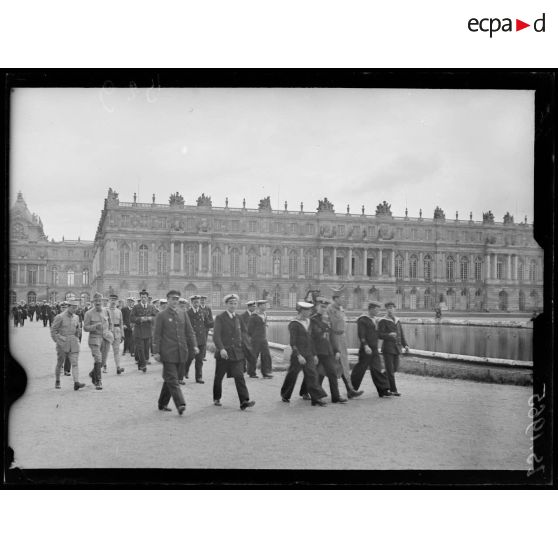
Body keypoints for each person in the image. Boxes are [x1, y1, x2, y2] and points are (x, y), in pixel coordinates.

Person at [153, 290, 198, 415]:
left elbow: (189, 331)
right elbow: (156, 335)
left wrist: (194, 345)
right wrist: (156, 351)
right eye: (172, 299)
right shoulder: (161, 315)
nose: (175, 301)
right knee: (173, 379)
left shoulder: (183, 313)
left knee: (170, 379)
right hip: (167, 353)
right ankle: (180, 404)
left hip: (181, 352)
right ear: (167, 300)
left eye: (177, 299)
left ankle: (162, 403)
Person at [280, 301, 328, 406]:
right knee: (292, 375)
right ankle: (285, 394)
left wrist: (314, 354)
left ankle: (316, 399)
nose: (310, 312)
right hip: (298, 355)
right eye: (308, 310)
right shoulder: (294, 324)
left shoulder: (309, 322)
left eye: (310, 310)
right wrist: (298, 355)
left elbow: (311, 340)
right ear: (302, 311)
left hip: (309, 353)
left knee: (312, 374)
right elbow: (292, 342)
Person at [212, 294, 255, 410]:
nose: (233, 305)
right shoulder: (220, 318)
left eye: (235, 303)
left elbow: (244, 333)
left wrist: (247, 347)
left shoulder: (239, 318)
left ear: (237, 305)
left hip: (237, 353)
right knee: (219, 376)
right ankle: (217, 398)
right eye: (230, 303)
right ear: (226, 304)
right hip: (224, 353)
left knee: (239, 376)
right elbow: (216, 336)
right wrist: (221, 349)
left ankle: (244, 401)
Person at [308, 297, 347, 403]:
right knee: (316, 375)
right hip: (317, 351)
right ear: (317, 307)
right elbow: (310, 338)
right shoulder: (312, 320)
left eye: (325, 307)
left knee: (332, 373)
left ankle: (336, 397)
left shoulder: (328, 320)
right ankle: (315, 397)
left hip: (328, 351)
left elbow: (332, 336)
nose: (323, 309)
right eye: (321, 306)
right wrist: (313, 354)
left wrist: (337, 350)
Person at [327, 288, 363, 399]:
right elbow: (329, 327)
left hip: (342, 338)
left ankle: (350, 390)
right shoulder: (330, 309)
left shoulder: (341, 308)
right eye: (342, 297)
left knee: (344, 365)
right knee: (325, 366)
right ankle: (310, 389)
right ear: (335, 298)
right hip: (334, 338)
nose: (344, 299)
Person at [351, 301, 393, 397]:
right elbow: (361, 334)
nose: (378, 312)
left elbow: (377, 334)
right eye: (377, 310)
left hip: (374, 349)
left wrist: (388, 336)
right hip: (366, 349)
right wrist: (365, 345)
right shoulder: (363, 320)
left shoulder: (374, 320)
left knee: (377, 369)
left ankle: (383, 391)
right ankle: (351, 390)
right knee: (360, 370)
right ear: (371, 309)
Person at [50, 298, 85, 390]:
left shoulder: (76, 317)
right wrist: (58, 341)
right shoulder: (60, 317)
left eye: (76, 307)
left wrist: (77, 338)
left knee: (75, 363)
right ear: (68, 307)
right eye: (73, 307)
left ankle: (76, 382)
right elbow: (53, 330)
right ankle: (57, 381)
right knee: (60, 363)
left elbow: (78, 329)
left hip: (73, 343)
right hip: (62, 343)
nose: (75, 309)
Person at [378, 302, 409, 396]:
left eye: (392, 308)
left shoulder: (397, 320)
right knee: (390, 371)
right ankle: (393, 390)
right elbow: (379, 335)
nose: (390, 309)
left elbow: (401, 334)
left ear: (395, 309)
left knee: (394, 369)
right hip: (388, 349)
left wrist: (405, 345)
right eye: (388, 308)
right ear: (386, 309)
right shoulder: (383, 320)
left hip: (397, 348)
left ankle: (381, 378)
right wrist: (388, 335)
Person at [83, 292, 113, 390]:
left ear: (102, 301)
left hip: (105, 339)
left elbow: (111, 323)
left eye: (99, 301)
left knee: (103, 362)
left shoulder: (106, 311)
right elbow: (85, 328)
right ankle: (98, 381)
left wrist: (110, 332)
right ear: (93, 302)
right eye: (96, 301)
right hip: (94, 339)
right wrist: (94, 326)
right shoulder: (88, 313)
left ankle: (93, 373)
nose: (98, 302)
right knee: (98, 359)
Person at [130, 289, 158, 372]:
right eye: (142, 297)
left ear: (147, 298)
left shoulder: (151, 307)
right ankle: (143, 365)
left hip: (148, 331)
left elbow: (156, 317)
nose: (143, 299)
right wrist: (140, 319)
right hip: (138, 331)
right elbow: (131, 318)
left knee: (146, 349)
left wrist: (150, 318)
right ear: (140, 298)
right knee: (140, 348)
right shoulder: (136, 307)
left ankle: (141, 364)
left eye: (145, 297)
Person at [247, 300, 273, 379]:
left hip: (263, 339)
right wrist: (254, 337)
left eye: (266, 305)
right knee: (254, 356)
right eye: (264, 305)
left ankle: (266, 373)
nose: (266, 306)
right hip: (255, 339)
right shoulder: (253, 316)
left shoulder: (265, 314)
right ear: (260, 306)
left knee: (266, 355)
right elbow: (249, 329)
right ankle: (252, 373)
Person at [184, 295, 208, 384]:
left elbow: (206, 323)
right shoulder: (188, 313)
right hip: (192, 340)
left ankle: (199, 377)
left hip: (202, 339)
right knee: (189, 358)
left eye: (198, 302)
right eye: (195, 302)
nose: (196, 304)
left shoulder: (203, 312)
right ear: (191, 303)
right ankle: (185, 371)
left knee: (200, 360)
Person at [104, 294, 125, 374]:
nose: (113, 302)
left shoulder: (119, 311)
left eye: (114, 300)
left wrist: (122, 334)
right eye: (111, 300)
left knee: (116, 351)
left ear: (117, 301)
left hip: (117, 332)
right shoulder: (105, 311)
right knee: (106, 351)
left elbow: (121, 323)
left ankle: (118, 367)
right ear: (109, 301)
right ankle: (104, 365)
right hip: (108, 332)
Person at [240, 301, 257, 377]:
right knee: (243, 356)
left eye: (255, 306)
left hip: (253, 339)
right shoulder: (242, 316)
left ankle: (252, 373)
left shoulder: (255, 316)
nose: (254, 308)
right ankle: (242, 370)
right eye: (253, 306)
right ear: (249, 307)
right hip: (244, 339)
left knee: (253, 356)